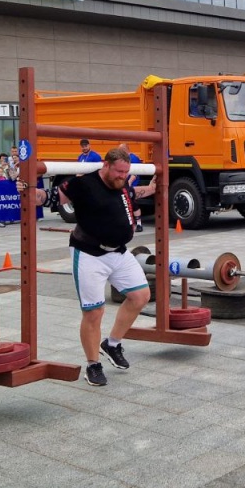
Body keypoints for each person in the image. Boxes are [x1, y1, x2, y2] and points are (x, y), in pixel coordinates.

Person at [20, 147, 156, 387]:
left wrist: (153, 188)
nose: (122, 176)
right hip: (89, 254)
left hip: (118, 252)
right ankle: (93, 364)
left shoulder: (122, 183)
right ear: (106, 165)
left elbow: (134, 193)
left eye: (126, 172)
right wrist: (29, 191)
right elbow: (49, 197)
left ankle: (112, 344)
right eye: (118, 172)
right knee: (94, 312)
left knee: (141, 296)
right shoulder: (84, 184)